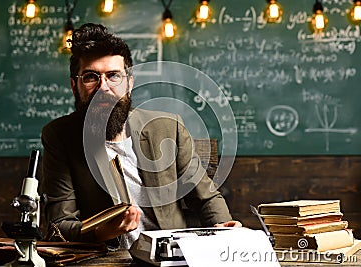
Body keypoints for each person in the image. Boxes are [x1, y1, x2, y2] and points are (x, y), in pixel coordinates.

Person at [40, 23, 241, 248]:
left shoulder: (167, 127)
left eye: (113, 76)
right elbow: (60, 225)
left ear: (129, 82)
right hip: (107, 259)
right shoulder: (59, 136)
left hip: (171, 255)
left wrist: (223, 230)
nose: (103, 87)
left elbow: (206, 198)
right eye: (90, 77)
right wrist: (100, 232)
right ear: (74, 86)